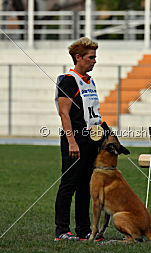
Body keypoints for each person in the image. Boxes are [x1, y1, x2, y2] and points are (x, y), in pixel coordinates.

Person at [54, 37, 102, 241]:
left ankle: (83, 230)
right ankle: (61, 230)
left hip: (91, 141)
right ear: (78, 57)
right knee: (69, 185)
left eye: (95, 57)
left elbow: (92, 114)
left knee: (85, 187)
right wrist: (72, 142)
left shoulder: (89, 81)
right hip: (75, 140)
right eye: (91, 57)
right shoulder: (68, 80)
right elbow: (64, 114)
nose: (94, 61)